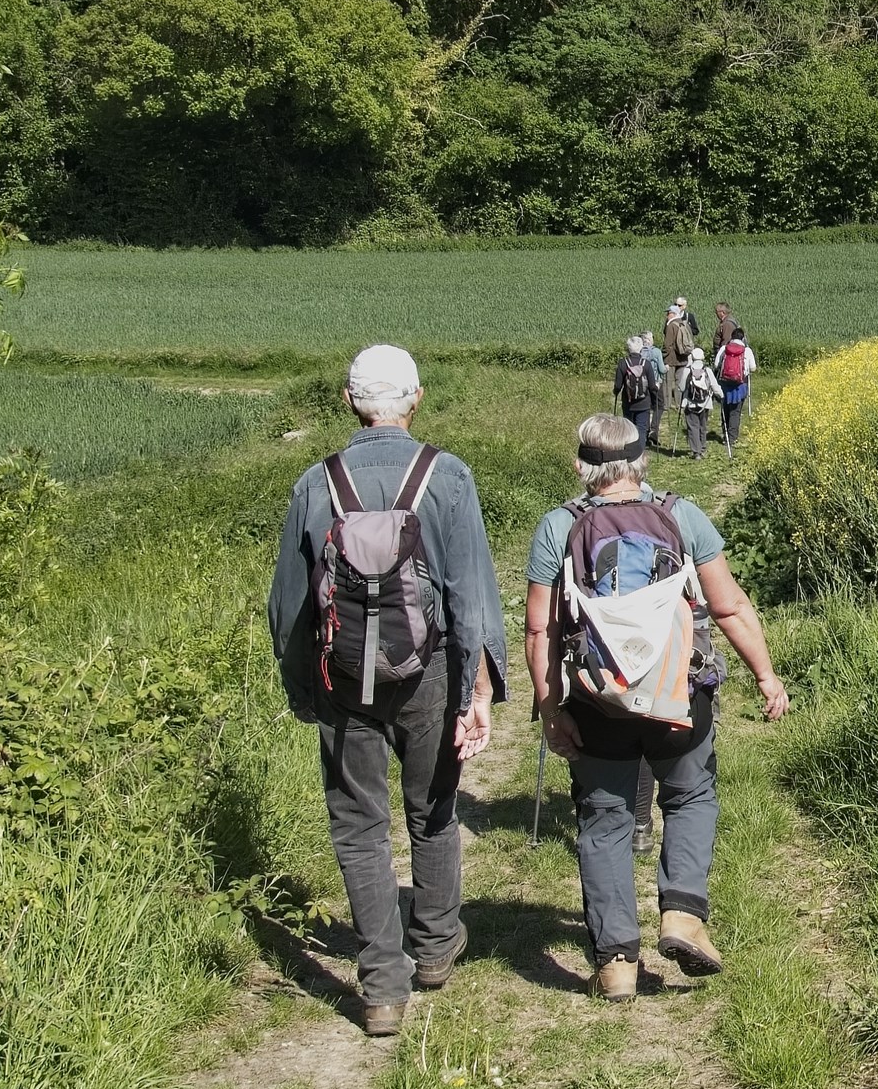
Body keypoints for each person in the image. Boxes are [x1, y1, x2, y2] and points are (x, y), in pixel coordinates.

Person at [265, 345, 504, 1037]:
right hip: (429, 672)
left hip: (342, 679)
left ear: (348, 401)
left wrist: (304, 689)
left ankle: (381, 987)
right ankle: (435, 946)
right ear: (417, 399)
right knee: (433, 810)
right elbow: (471, 595)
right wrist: (477, 691)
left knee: (358, 826)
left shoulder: (317, 483)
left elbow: (288, 608)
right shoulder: (447, 475)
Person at [525, 414, 792, 1002]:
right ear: (643, 462)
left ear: (581, 466)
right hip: (679, 694)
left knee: (605, 819)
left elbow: (541, 629)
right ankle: (683, 915)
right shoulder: (681, 515)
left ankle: (617, 962)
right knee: (690, 795)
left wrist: (551, 709)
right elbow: (729, 607)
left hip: (599, 700)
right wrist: (766, 676)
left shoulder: (559, 526)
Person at [614, 331, 662, 455]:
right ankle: (639, 454)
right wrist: (657, 389)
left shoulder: (623, 363)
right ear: (641, 348)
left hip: (628, 402)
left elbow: (618, 386)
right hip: (643, 402)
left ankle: (629, 452)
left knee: (629, 428)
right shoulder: (646, 364)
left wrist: (616, 392)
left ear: (628, 348)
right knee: (641, 428)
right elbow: (652, 386)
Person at [674, 341, 723, 459]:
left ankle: (696, 452)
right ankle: (702, 448)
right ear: (702, 357)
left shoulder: (687, 370)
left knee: (692, 426)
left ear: (692, 357)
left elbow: (681, 387)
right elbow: (714, 386)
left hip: (690, 403)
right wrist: (721, 395)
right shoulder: (707, 370)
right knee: (703, 425)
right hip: (705, 403)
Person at [713, 325, 754, 450]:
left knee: (725, 409)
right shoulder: (747, 350)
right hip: (740, 385)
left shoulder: (724, 348)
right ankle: (732, 438)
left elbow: (716, 365)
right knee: (735, 411)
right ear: (743, 338)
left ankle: (725, 435)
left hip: (725, 384)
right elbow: (753, 368)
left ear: (731, 337)